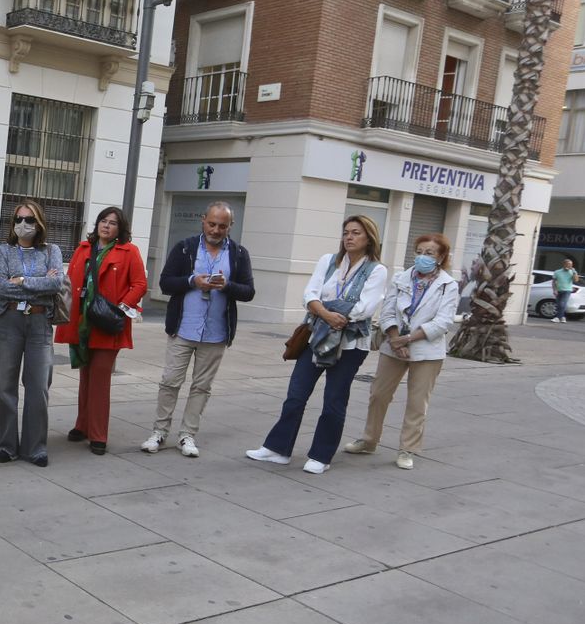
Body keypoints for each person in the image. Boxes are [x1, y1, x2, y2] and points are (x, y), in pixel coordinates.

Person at [247, 215, 388, 474]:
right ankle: (278, 449)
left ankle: (321, 455)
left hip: (351, 345)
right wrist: (326, 313)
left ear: (369, 237)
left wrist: (324, 308)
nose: (349, 237)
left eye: (356, 233)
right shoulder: (328, 261)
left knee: (334, 400)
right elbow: (309, 294)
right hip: (317, 336)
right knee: (295, 395)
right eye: (346, 232)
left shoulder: (377, 270)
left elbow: (363, 308)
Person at [147, 201, 255, 458]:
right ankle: (159, 432)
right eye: (212, 223)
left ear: (230, 227)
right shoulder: (185, 248)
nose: (216, 230)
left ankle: (187, 435)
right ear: (203, 220)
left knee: (201, 387)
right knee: (170, 382)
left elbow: (249, 292)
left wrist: (227, 285)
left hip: (216, 333)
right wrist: (192, 281)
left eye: (222, 226)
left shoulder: (239, 254)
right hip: (183, 330)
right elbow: (164, 283)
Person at [343, 233, 459, 470]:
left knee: (417, 402)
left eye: (430, 253)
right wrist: (396, 339)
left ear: (441, 257)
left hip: (426, 350)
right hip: (393, 345)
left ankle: (408, 449)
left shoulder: (448, 284)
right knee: (378, 395)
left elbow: (444, 322)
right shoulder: (400, 278)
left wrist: (407, 339)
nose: (423, 257)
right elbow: (387, 311)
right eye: (419, 251)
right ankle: (369, 440)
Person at [55, 206, 147, 455]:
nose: (106, 226)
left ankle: (98, 434)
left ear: (121, 228)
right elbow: (69, 282)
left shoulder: (128, 251)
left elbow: (140, 283)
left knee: (99, 379)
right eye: (103, 221)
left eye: (113, 223)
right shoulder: (84, 248)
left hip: (107, 323)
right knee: (85, 377)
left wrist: (122, 306)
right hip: (83, 321)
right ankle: (82, 425)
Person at [0, 198, 68, 465]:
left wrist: (22, 280)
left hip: (39, 324)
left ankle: (35, 448)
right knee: (6, 386)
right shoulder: (3, 252)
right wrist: (39, 284)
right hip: (7, 320)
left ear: (39, 222)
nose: (24, 225)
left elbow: (57, 282)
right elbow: (0, 287)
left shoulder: (51, 250)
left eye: (30, 219)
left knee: (38, 387)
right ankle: (6, 446)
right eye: (19, 220)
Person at [552, 258, 580, 322]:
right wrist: (554, 290)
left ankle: (558, 318)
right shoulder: (557, 272)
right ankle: (562, 317)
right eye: (568, 264)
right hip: (559, 289)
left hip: (567, 290)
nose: (569, 266)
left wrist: (574, 272)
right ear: (564, 264)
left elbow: (576, 280)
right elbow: (554, 282)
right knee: (559, 304)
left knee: (562, 304)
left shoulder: (572, 272)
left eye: (571, 265)